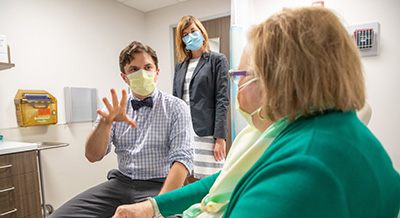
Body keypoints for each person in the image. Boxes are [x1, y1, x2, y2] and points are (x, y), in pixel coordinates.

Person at [112, 7, 400, 218]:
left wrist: (217, 137)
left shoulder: (306, 170)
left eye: (239, 74)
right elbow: (229, 178)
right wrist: (152, 207)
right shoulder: (287, 129)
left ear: (277, 80)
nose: (235, 84)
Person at [49, 41, 194, 218]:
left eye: (148, 67)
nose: (142, 73)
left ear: (156, 73)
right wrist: (106, 123)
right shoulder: (114, 108)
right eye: (134, 69)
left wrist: (156, 207)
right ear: (124, 77)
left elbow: (182, 161)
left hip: (159, 185)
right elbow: (93, 156)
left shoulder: (176, 107)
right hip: (120, 183)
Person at [173, 15, 230, 180]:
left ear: (201, 32)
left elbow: (222, 100)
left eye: (193, 31)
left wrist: (220, 138)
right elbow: (176, 101)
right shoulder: (180, 66)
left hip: (206, 133)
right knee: (188, 178)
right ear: (182, 40)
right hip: (184, 132)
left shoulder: (217, 60)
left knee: (210, 181)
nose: (189, 36)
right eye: (185, 34)